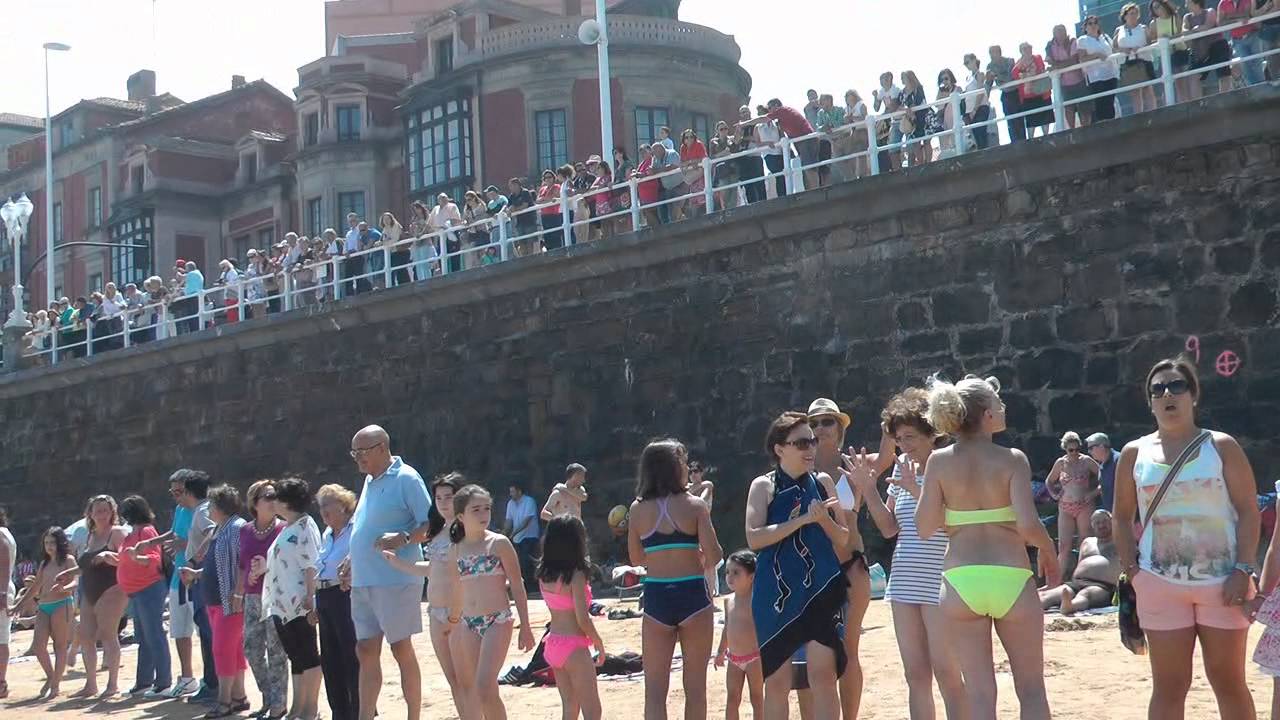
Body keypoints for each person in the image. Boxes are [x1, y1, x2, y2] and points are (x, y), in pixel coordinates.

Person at [1113, 357, 1259, 720]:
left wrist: (1243, 568)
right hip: (1159, 583)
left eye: (1177, 386)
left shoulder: (1221, 446)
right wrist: (1134, 571)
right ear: (1149, 402)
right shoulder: (1135, 453)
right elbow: (1120, 517)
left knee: (1228, 681)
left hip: (1223, 581)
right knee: (1169, 685)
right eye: (1157, 389)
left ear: (1193, 394)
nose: (1167, 394)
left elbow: (1248, 511)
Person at [915, 375, 1058, 720]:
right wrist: (1050, 553)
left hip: (961, 579)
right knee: (1032, 689)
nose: (1003, 407)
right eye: (998, 402)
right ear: (987, 415)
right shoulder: (1012, 459)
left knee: (979, 694)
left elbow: (923, 527)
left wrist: (955, 519)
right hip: (1010, 572)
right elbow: (1027, 525)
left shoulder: (938, 462)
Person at [848, 389, 966, 720]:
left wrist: (917, 488)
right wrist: (869, 489)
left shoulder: (949, 468)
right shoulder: (901, 472)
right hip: (903, 582)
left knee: (947, 673)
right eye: (899, 439)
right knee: (915, 675)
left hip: (940, 580)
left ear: (933, 434)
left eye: (911, 436)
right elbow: (888, 529)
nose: (904, 445)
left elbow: (953, 525)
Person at [745, 413, 847, 718]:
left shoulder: (824, 482)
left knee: (823, 678)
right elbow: (754, 537)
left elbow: (842, 538)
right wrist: (802, 519)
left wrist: (822, 520)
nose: (811, 448)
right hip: (775, 594)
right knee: (776, 682)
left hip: (821, 588)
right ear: (780, 449)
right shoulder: (763, 486)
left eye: (812, 441)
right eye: (801, 442)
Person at [806, 397, 892, 720]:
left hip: (850, 566)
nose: (819, 428)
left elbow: (886, 457)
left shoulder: (854, 463)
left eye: (827, 421)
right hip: (813, 573)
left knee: (849, 650)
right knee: (816, 654)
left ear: (839, 427)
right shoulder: (801, 466)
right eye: (813, 423)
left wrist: (888, 424)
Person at [627, 439, 722, 720]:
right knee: (695, 689)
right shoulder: (694, 506)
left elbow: (635, 559)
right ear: (673, 467)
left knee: (655, 692)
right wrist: (697, 555)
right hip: (692, 593)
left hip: (657, 597)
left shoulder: (637, 509)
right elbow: (715, 554)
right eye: (683, 461)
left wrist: (661, 555)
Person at [344, 424, 432, 720]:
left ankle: (413, 716)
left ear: (382, 448)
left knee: (400, 648)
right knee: (365, 649)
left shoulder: (407, 478)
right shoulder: (370, 481)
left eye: (362, 452)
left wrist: (403, 538)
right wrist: (349, 559)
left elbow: (431, 525)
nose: (357, 458)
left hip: (395, 579)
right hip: (364, 579)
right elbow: (362, 527)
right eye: (354, 453)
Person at [430, 484, 535, 720]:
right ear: (460, 516)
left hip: (498, 620)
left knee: (485, 685)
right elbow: (458, 590)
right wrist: (453, 622)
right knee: (477, 689)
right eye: (475, 510)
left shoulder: (499, 544)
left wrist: (525, 626)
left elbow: (517, 586)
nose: (483, 514)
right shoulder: (455, 550)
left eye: (486, 509)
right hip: (467, 623)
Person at [180, 484, 249, 719]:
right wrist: (197, 574)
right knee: (233, 650)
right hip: (215, 600)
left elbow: (242, 564)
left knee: (221, 650)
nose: (208, 509)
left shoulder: (237, 528)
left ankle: (224, 700)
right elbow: (216, 566)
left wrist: (238, 593)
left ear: (220, 506)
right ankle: (238, 697)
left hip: (228, 601)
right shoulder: (219, 529)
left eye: (211, 504)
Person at [257, 478, 324, 720]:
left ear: (286, 501)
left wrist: (310, 596)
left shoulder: (305, 526)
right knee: (296, 657)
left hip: (298, 604)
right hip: (281, 604)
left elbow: (310, 565)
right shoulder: (288, 527)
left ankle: (310, 709)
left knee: (308, 655)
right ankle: (298, 708)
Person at [537, 514, 605, 720]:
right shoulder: (576, 575)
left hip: (553, 642)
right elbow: (583, 619)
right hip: (574, 646)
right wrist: (599, 643)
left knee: (569, 706)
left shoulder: (544, 574)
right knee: (592, 710)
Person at [64, 495, 129, 699]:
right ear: (90, 514)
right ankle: (91, 684)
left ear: (112, 512)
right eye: (97, 511)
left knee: (108, 635)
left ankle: (112, 684)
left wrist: (110, 558)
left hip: (112, 590)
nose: (101, 514)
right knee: (85, 636)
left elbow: (129, 560)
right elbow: (86, 566)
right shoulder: (91, 535)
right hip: (89, 590)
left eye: (105, 510)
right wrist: (68, 573)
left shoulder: (117, 533)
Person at [237, 480, 288, 719]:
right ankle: (268, 696)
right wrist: (238, 593)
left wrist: (268, 569)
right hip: (252, 597)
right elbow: (241, 565)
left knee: (276, 651)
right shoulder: (245, 530)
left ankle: (278, 703)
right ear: (255, 503)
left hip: (276, 597)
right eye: (268, 496)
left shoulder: (284, 529)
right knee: (252, 648)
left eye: (275, 496)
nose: (273, 500)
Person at [117, 495, 174, 697]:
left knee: (154, 635)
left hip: (149, 588)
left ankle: (164, 681)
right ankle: (144, 681)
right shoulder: (131, 533)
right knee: (143, 637)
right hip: (137, 592)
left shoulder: (146, 530)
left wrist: (136, 557)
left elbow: (153, 559)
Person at [12, 527, 76, 699]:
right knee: (39, 647)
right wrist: (17, 605)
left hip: (62, 604)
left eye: (53, 542)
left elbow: (76, 581)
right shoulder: (44, 563)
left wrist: (65, 588)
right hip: (44, 606)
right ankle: (51, 676)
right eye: (46, 543)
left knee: (60, 646)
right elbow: (34, 588)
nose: (49, 546)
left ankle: (55, 685)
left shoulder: (68, 560)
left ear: (60, 543)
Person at [315, 483, 361, 720]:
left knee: (350, 655)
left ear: (343, 506)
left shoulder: (355, 530)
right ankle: (339, 712)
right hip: (323, 597)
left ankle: (359, 710)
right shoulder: (326, 535)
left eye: (328, 505)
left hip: (344, 595)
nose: (323, 511)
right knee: (330, 659)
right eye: (321, 506)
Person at [174, 468, 220, 704]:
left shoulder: (202, 512)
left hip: (201, 579)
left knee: (208, 633)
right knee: (205, 632)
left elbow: (213, 534)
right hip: (199, 577)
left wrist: (194, 562)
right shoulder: (201, 510)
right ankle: (211, 683)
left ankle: (214, 685)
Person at [1046, 431, 1102, 584]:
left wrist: (1093, 493)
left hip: (1084, 505)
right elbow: (1049, 481)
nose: (1075, 453)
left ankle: (1081, 578)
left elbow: (1104, 476)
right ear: (1065, 449)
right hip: (1065, 506)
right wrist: (1054, 495)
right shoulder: (1060, 463)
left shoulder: (1086, 461)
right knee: (1064, 545)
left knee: (1085, 542)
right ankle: (1056, 581)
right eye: (1071, 450)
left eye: (1077, 449)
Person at [1038, 509, 1120, 615]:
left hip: (1102, 585)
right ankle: (1030, 607)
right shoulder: (1087, 542)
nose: (1101, 525)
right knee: (1048, 595)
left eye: (1104, 521)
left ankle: (1071, 606)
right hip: (1078, 582)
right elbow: (1080, 563)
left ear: (1112, 522)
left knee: (1086, 595)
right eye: (1097, 522)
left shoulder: (1120, 541)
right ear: (1092, 525)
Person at [714, 550, 764, 720]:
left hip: (755, 658)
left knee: (757, 698)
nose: (730, 577)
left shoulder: (757, 600)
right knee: (732, 698)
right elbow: (726, 628)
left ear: (751, 576)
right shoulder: (728, 601)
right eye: (727, 572)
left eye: (736, 572)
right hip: (733, 659)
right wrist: (720, 651)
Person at [740, 98, 820, 192]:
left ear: (776, 106)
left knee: (810, 168)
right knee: (806, 168)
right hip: (802, 142)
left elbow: (763, 119)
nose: (768, 111)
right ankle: (811, 192)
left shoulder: (782, 111)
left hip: (807, 140)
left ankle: (816, 192)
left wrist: (744, 124)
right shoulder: (781, 120)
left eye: (770, 108)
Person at [1116, 3, 1158, 115]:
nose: (1133, 16)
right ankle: (1138, 115)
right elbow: (1114, 47)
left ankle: (1153, 112)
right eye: (1131, 13)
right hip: (1128, 62)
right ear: (1124, 16)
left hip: (1144, 60)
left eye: (1135, 13)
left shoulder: (1143, 28)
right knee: (1134, 92)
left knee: (1147, 88)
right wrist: (1122, 50)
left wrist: (1139, 48)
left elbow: (1150, 43)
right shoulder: (1119, 30)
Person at [1078, 15, 1122, 121]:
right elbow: (1082, 58)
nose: (1093, 25)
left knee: (1110, 100)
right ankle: (1103, 124)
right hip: (1096, 76)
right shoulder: (1083, 40)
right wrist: (1096, 55)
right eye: (1090, 23)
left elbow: (1114, 50)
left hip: (1111, 73)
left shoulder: (1105, 37)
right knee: (1100, 102)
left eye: (1095, 23)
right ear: (1085, 27)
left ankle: (1111, 123)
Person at [1185, 0, 1234, 96]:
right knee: (1194, 76)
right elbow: (1184, 30)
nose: (1185, 5)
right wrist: (1194, 30)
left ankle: (1226, 98)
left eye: (1187, 2)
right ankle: (1198, 104)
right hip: (1198, 50)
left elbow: (1207, 26)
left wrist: (1194, 30)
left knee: (1223, 73)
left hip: (1216, 45)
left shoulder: (1210, 11)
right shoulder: (1187, 17)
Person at [1047, 24, 1091, 128]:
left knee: (1084, 107)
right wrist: (1056, 65)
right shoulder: (1050, 46)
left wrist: (1057, 65)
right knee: (1068, 107)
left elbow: (1073, 60)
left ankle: (1086, 128)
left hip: (1079, 80)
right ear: (1054, 34)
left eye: (1062, 31)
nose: (1061, 34)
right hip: (1064, 83)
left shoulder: (1072, 42)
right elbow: (1050, 61)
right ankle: (1072, 130)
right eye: (1058, 32)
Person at [1217, 0, 1266, 87]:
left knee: (1257, 64)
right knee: (1246, 66)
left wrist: (1229, 16)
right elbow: (1220, 22)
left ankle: (1261, 88)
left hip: (1252, 35)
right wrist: (1236, 19)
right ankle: (1256, 90)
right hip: (1237, 39)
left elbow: (1246, 15)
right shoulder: (1223, 3)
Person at [504, 482, 541, 593]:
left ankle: (533, 587)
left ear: (519, 491)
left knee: (527, 562)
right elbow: (509, 520)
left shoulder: (529, 501)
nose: (511, 494)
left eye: (513, 491)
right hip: (517, 538)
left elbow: (527, 521)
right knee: (520, 563)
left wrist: (513, 534)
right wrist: (504, 533)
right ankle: (525, 587)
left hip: (530, 537)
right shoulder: (510, 503)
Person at [1013, 42, 1054, 138]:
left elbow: (1040, 69)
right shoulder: (1018, 64)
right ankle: (1031, 140)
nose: (1028, 50)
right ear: (1021, 51)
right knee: (1031, 121)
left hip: (1042, 92)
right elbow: (1015, 75)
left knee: (1045, 118)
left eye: (1029, 47)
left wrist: (1026, 75)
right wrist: (1026, 73)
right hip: (1028, 96)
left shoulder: (1037, 58)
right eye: (1025, 49)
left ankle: (1046, 136)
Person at [986, 45, 1024, 143]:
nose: (992, 55)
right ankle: (1014, 143)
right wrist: (986, 96)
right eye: (990, 53)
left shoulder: (1009, 61)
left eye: (993, 52)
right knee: (1010, 121)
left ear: (999, 52)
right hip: (1005, 95)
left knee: (1019, 119)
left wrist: (998, 77)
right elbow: (989, 83)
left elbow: (1010, 77)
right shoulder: (990, 67)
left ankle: (1023, 141)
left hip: (1015, 93)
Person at [962, 53, 994, 149]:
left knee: (981, 132)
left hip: (980, 107)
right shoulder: (968, 78)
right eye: (965, 63)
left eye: (967, 62)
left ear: (974, 60)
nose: (966, 65)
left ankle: (985, 155)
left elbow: (980, 92)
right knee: (976, 134)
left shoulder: (979, 74)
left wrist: (975, 109)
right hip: (971, 109)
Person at [1087, 432, 1121, 511]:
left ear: (1101, 446)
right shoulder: (1102, 464)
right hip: (1112, 513)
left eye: (1091, 448)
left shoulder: (1119, 460)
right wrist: (1091, 495)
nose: (1089, 452)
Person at [0, 505, 14, 700]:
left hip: (1, 591)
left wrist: (2, 593)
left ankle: (1, 683)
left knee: (1, 638)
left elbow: (3, 564)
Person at [537, 170, 565, 250]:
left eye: (549, 177)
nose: (547, 179)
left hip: (554, 214)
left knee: (556, 235)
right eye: (545, 178)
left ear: (553, 178)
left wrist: (543, 199)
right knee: (547, 236)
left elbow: (554, 197)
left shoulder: (557, 186)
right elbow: (537, 201)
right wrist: (545, 198)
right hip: (544, 215)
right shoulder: (542, 189)